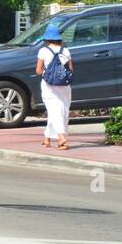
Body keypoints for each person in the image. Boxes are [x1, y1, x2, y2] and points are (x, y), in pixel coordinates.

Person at [36, 22, 73, 150]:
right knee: (62, 110)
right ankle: (47, 138)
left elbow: (38, 71)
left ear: (47, 38)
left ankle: (62, 138)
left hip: (49, 86)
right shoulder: (66, 51)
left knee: (54, 111)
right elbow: (71, 69)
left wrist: (48, 73)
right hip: (65, 86)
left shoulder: (43, 51)